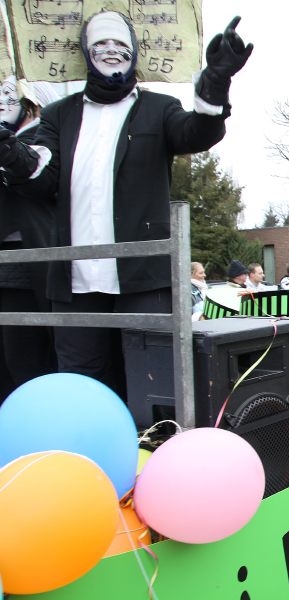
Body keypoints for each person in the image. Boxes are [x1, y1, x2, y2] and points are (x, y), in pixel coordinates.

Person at [0, 12, 251, 398]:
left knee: (152, 380)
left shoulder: (159, 107)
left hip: (143, 274)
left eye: (119, 43)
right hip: (75, 279)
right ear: (86, 52)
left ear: (133, 51)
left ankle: (152, 439)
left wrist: (216, 82)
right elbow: (41, 177)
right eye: (100, 43)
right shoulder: (58, 115)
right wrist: (8, 149)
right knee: (80, 384)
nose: (110, 51)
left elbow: (197, 133)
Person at [0, 77, 60, 398]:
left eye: (8, 95)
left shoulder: (43, 137)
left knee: (24, 360)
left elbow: (33, 174)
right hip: (12, 264)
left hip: (24, 264)